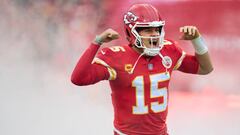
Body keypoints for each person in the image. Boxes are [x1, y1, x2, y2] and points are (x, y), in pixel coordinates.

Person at [71, 3, 213, 135]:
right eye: (147, 30)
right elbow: (78, 78)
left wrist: (197, 40)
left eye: (157, 29)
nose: (154, 34)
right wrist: (97, 42)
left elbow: (205, 68)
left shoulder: (168, 50)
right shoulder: (116, 57)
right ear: (131, 33)